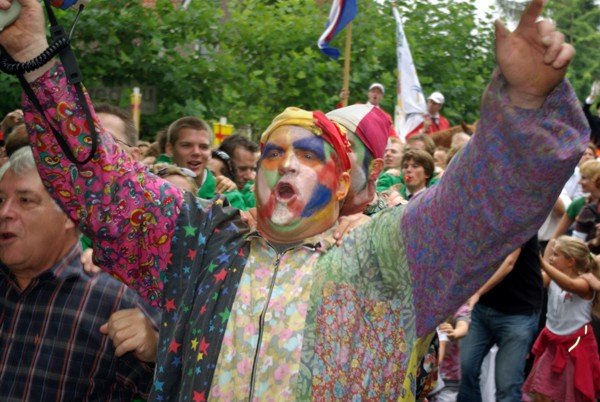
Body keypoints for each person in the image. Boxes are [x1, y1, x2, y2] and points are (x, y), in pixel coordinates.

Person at [0, 0, 587, 399]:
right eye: (274, 152)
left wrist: (525, 104)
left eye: (308, 155)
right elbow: (99, 179)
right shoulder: (199, 249)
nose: (285, 164)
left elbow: (482, 205)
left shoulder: (388, 261)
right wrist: (33, 51)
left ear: (343, 185)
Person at [0, 146, 158, 400]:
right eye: (0, 199)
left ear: (69, 215)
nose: (4, 212)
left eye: (25, 200)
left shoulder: (117, 302)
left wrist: (157, 353)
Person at [458, 237, 543, 402]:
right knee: (467, 369)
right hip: (482, 308)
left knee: (507, 386)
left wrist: (477, 292)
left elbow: (509, 262)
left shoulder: (521, 221)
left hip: (518, 312)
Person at [522, 236, 600, 401]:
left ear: (570, 261)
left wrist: (543, 263)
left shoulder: (584, 283)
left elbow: (569, 285)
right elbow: (535, 280)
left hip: (575, 347)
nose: (551, 257)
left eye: (556, 255)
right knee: (540, 391)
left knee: (571, 394)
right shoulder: (552, 278)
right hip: (553, 344)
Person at [325, 103, 389, 215]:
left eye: (344, 145)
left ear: (374, 168)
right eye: (324, 142)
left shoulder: (393, 222)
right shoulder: (301, 213)